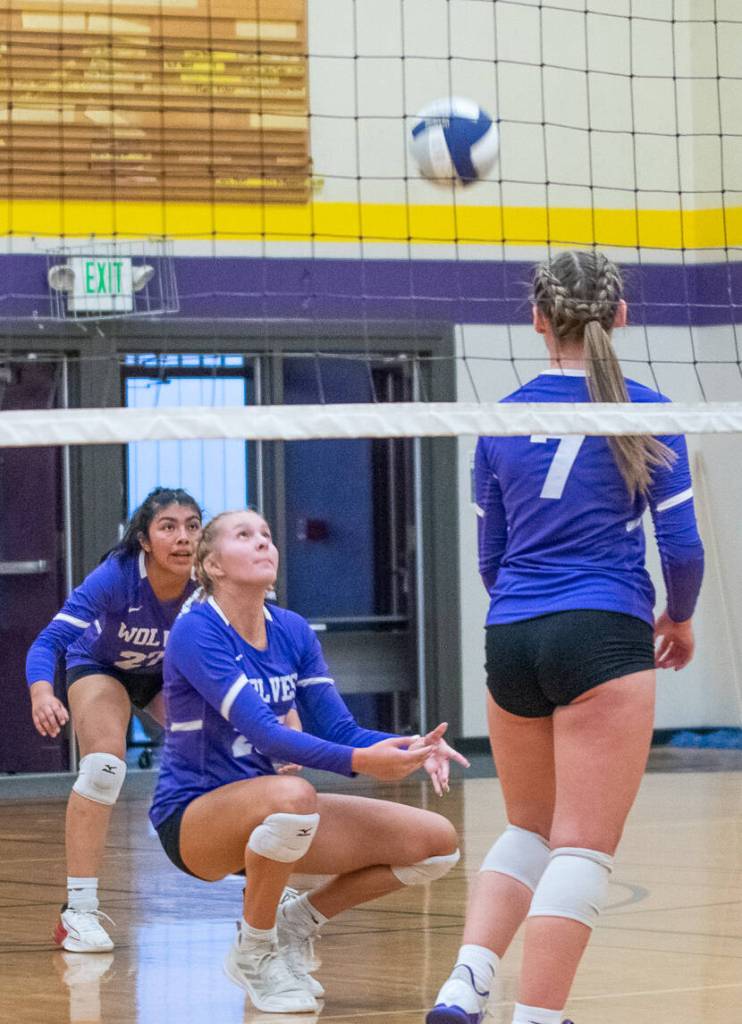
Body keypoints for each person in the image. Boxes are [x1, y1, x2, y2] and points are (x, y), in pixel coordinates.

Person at [427, 250, 705, 1024]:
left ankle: (464, 985)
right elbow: (681, 549)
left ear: (537, 320)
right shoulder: (647, 409)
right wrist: (678, 617)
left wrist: (530, 616)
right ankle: (538, 1017)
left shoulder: (501, 419)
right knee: (581, 848)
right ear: (620, 316)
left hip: (512, 634)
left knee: (528, 831)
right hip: (602, 633)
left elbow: (491, 557)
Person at [150, 508, 468, 1013]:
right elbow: (266, 734)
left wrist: (412, 746)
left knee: (435, 845)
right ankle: (254, 953)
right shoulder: (197, 630)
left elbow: (339, 729)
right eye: (244, 535)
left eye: (267, 536)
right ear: (212, 565)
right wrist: (362, 762)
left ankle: (296, 924)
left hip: (277, 814)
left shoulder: (292, 630)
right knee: (296, 795)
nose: (262, 544)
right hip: (194, 818)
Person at [27, 486, 203, 953]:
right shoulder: (117, 578)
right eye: (169, 526)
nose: (183, 537)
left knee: (228, 754)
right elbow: (49, 642)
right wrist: (43, 692)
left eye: (192, 526)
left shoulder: (210, 582)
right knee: (104, 766)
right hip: (102, 669)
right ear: (145, 540)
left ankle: (261, 889)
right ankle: (78, 913)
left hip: (168, 675)